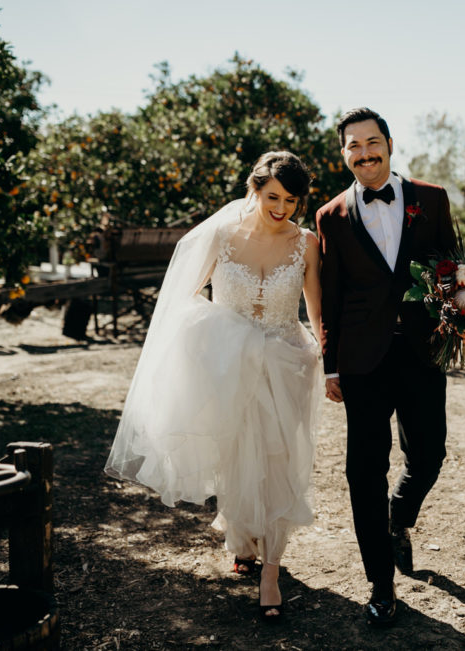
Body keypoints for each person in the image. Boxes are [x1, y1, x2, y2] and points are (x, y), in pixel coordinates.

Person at [105, 151, 323, 623]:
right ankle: (243, 536)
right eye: (272, 197)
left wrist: (326, 358)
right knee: (237, 456)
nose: (281, 208)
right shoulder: (221, 234)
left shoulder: (306, 243)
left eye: (290, 200)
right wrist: (208, 335)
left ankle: (271, 573)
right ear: (255, 188)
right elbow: (180, 296)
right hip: (229, 364)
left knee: (279, 462)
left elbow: (315, 309)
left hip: (286, 365)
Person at [315, 108, 457, 627]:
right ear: (344, 154)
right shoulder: (331, 216)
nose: (365, 153)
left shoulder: (432, 199)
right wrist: (331, 366)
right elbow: (329, 298)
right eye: (354, 146)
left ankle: (400, 520)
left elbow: (452, 268)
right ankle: (380, 583)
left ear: (390, 145)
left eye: (372, 142)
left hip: (421, 352)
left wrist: (463, 319)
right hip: (362, 360)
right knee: (363, 471)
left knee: (430, 453)